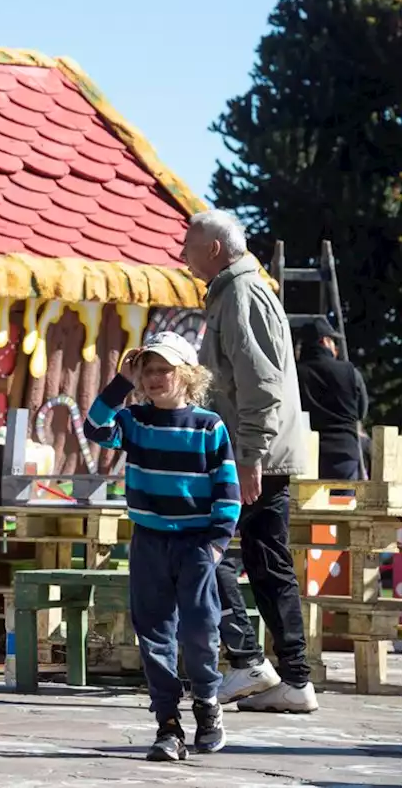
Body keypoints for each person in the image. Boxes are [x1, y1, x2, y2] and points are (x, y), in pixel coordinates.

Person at [181, 208, 318, 713]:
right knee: (262, 562)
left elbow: (261, 386)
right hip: (248, 453)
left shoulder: (241, 294)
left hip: (253, 457)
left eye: (188, 244)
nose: (181, 254)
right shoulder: (234, 291)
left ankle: (252, 663)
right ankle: (291, 678)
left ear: (213, 248)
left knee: (203, 547)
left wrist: (250, 459)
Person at [84, 331, 240, 761]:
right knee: (154, 633)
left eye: (163, 370)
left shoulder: (209, 426)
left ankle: (207, 703)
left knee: (200, 631)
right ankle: (167, 723)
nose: (154, 378)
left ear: (187, 375)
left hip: (195, 545)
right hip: (149, 541)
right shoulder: (134, 422)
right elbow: (95, 427)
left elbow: (227, 489)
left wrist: (215, 546)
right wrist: (121, 382)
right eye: (147, 370)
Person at [296, 319, 368, 481]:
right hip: (344, 452)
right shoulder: (350, 371)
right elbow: (361, 411)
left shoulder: (295, 374)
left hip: (306, 454)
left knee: (305, 505)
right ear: (325, 341)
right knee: (343, 504)